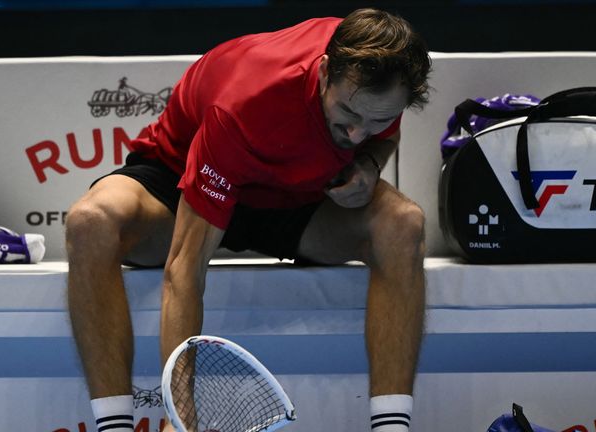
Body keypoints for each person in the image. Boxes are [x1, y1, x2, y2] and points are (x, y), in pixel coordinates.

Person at [66, 8, 431, 432]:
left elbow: (378, 137)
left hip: (295, 199)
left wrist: (369, 162)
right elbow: (184, 270)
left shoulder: (386, 71)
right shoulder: (248, 102)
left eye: (379, 119)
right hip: (181, 180)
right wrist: (178, 417)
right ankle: (114, 427)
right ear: (325, 72)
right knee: (89, 222)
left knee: (403, 223)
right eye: (348, 116)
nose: (356, 133)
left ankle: (392, 428)